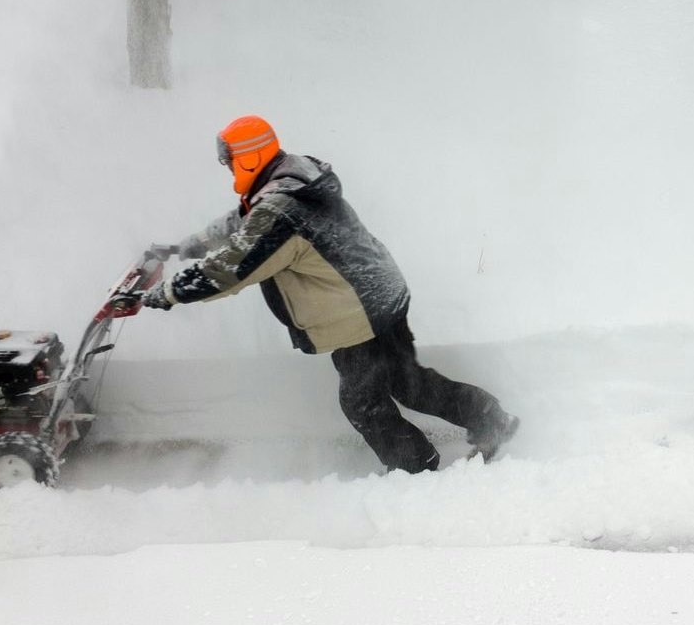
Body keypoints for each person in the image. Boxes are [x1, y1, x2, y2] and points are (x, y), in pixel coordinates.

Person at [140, 115, 518, 473]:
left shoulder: (282, 208)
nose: (226, 167)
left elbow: (233, 267)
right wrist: (185, 247)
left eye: (230, 160)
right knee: (408, 384)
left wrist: (168, 292)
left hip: (359, 311)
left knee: (362, 402)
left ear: (250, 156)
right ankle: (490, 421)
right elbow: (240, 224)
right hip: (378, 294)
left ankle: (416, 469)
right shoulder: (289, 179)